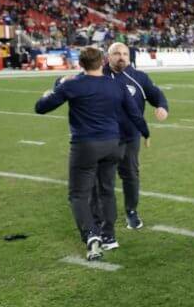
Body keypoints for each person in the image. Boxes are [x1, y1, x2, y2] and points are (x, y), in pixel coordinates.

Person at [34, 46, 149, 261]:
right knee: (106, 190)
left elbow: (41, 107)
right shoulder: (116, 85)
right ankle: (110, 236)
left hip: (86, 145)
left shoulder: (73, 84)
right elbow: (134, 112)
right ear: (103, 61)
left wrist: (48, 93)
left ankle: (92, 236)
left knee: (79, 194)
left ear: (80, 64)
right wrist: (146, 132)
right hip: (113, 144)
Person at [103, 42, 169, 231]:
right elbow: (73, 82)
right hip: (103, 137)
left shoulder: (139, 77)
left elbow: (157, 95)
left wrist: (162, 106)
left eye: (125, 53)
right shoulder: (98, 75)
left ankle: (131, 211)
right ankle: (104, 216)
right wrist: (58, 85)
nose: (121, 57)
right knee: (104, 178)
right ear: (109, 56)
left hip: (130, 136)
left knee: (130, 175)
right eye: (117, 53)